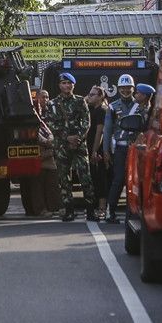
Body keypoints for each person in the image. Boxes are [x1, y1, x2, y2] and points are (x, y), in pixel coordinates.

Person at [50, 73, 97, 222]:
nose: (66, 86)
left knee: (85, 177)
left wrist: (78, 138)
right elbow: (51, 124)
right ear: (59, 85)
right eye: (63, 83)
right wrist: (67, 137)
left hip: (79, 145)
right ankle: (69, 211)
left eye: (69, 83)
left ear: (73, 85)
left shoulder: (80, 101)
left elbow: (86, 121)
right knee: (64, 179)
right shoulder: (53, 104)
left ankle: (91, 211)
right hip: (62, 146)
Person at [101, 73, 136, 224]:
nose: (125, 90)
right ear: (118, 89)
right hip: (120, 149)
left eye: (128, 87)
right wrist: (106, 151)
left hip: (136, 149)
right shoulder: (113, 107)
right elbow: (107, 130)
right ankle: (110, 212)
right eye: (122, 88)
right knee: (119, 179)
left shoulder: (140, 106)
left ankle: (132, 212)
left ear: (133, 88)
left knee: (134, 181)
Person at [84, 85, 110, 220]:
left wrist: (94, 151)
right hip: (89, 146)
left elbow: (100, 132)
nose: (89, 96)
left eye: (93, 94)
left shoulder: (102, 110)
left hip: (97, 148)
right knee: (93, 177)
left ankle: (102, 207)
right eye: (89, 94)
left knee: (100, 177)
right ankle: (94, 206)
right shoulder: (91, 109)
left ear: (101, 97)